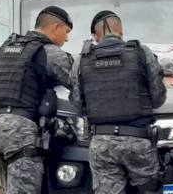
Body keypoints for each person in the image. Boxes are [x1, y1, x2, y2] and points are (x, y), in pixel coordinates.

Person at [70, 10, 167, 194]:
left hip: (102, 143)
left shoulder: (81, 61)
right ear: (121, 31)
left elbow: (77, 103)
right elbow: (158, 98)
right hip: (138, 140)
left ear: (95, 36)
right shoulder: (142, 53)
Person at [0, 6, 73, 194]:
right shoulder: (48, 51)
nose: (67, 39)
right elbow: (78, 80)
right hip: (19, 132)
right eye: (66, 32)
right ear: (56, 27)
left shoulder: (9, 46)